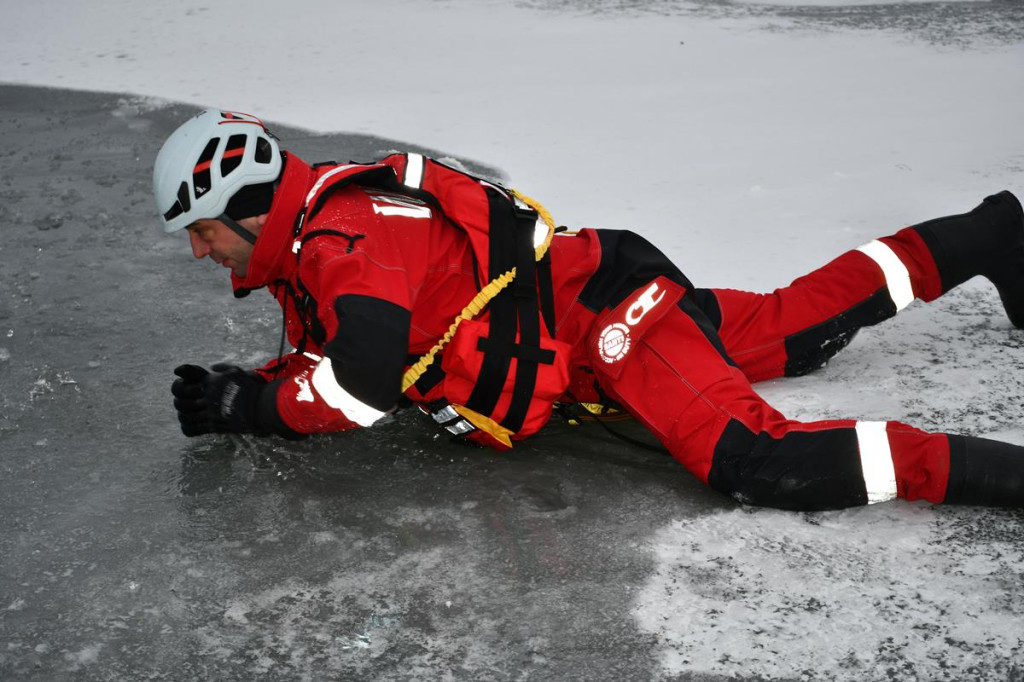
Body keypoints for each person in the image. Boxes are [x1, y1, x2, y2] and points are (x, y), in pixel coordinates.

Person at [154, 108, 1024, 511]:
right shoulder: (314, 246)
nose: (199, 251)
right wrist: (249, 390)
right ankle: (990, 237)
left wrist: (260, 408)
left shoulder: (346, 235)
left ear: (242, 202)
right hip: (597, 311)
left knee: (759, 462)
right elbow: (336, 355)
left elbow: (367, 380)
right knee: (802, 323)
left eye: (200, 230)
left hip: (610, 323)